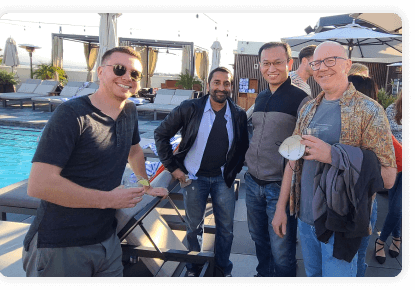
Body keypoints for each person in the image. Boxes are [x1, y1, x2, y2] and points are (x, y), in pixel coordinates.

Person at [22, 46, 168, 277]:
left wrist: (145, 185)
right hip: (61, 245)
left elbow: (135, 151)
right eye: (119, 69)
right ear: (100, 72)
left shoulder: (129, 111)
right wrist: (108, 200)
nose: (127, 77)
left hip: (106, 240)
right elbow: (39, 184)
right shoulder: (71, 115)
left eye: (135, 74)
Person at [272, 41, 397, 277]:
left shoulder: (369, 110)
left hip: (341, 222)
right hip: (306, 219)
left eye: (331, 61)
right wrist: (280, 208)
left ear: (348, 65)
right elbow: (292, 159)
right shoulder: (308, 108)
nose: (322, 68)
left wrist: (333, 155)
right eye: (317, 63)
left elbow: (388, 178)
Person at [154, 67, 249, 277]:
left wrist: (233, 170)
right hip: (193, 178)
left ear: (231, 87)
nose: (221, 87)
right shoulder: (190, 108)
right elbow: (161, 134)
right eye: (217, 82)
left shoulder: (238, 114)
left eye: (226, 83)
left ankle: (223, 269)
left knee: (226, 230)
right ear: (208, 85)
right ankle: (193, 268)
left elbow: (242, 147)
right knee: (193, 228)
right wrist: (173, 168)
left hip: (222, 179)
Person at [244, 42, 312, 277]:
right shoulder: (261, 98)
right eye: (266, 63)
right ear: (260, 66)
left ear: (289, 64)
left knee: (282, 249)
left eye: (277, 62)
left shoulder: (301, 99)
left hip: (279, 187)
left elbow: (302, 150)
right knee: (258, 240)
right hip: (252, 183)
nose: (271, 68)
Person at [347, 74, 379, 277]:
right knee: (357, 254)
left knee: (355, 255)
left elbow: (397, 158)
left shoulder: (373, 121)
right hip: (366, 199)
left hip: (361, 201)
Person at [375, 91, 403, 264]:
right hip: (394, 164)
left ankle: (381, 240)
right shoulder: (392, 108)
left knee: (397, 208)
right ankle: (397, 237)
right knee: (395, 206)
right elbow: (383, 135)